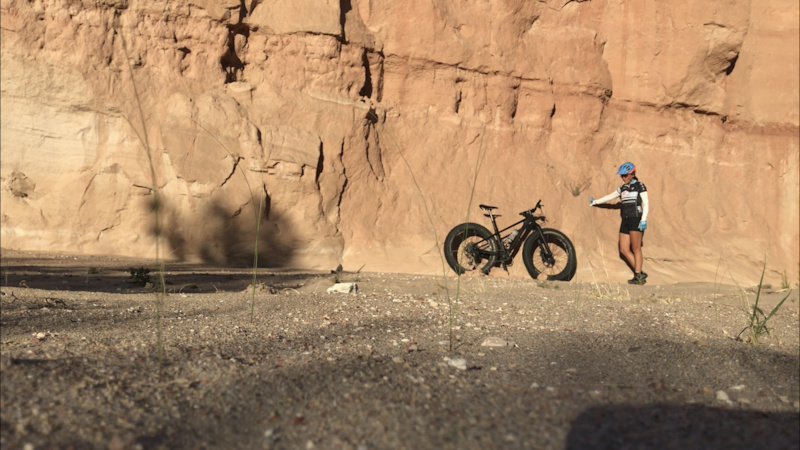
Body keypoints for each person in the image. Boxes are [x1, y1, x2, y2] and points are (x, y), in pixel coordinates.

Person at [589, 162, 649, 285]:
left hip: (636, 218)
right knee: (623, 249)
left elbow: (646, 204)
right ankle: (640, 272)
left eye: (625, 175)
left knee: (636, 248)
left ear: (632, 174)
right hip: (625, 220)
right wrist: (595, 202)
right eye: (621, 175)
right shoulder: (622, 188)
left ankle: (638, 276)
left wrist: (643, 219)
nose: (623, 177)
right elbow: (610, 197)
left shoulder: (640, 186)